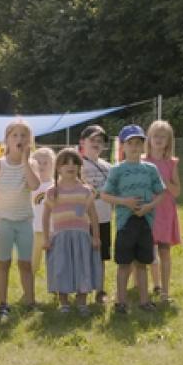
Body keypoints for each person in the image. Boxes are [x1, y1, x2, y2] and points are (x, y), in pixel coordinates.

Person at [101, 125, 165, 314]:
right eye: (131, 143)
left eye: (139, 143)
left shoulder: (150, 169)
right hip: (124, 224)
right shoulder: (117, 170)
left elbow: (161, 193)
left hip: (145, 222)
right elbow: (104, 195)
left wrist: (148, 207)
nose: (135, 147)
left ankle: (144, 301)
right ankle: (121, 302)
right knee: (123, 264)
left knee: (142, 264)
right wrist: (125, 202)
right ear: (123, 146)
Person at [43, 149, 101, 316]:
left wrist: (96, 237)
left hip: (82, 238)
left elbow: (93, 216)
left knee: (82, 268)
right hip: (60, 238)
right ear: (58, 168)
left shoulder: (85, 191)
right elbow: (46, 217)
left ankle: (82, 302)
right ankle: (64, 303)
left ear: (80, 167)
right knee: (62, 269)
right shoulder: (52, 192)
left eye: (75, 162)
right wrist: (46, 239)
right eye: (66, 162)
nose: (71, 166)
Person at [0, 119, 40, 319]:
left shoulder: (31, 163)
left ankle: (30, 301)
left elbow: (34, 185)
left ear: (30, 141)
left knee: (25, 263)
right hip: (3, 221)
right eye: (15, 135)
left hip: (24, 222)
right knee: (3, 262)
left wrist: (25, 162)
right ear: (7, 140)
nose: (19, 139)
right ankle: (3, 303)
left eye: (24, 136)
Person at [144, 120, 181, 303]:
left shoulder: (171, 163)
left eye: (163, 136)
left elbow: (176, 191)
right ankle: (148, 285)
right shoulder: (142, 161)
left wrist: (164, 181)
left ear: (169, 141)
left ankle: (165, 291)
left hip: (165, 211)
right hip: (147, 211)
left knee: (164, 251)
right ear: (149, 139)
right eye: (155, 136)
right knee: (145, 250)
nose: (159, 139)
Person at [78, 125, 113, 305]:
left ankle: (100, 290)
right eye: (93, 140)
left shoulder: (109, 166)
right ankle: (81, 289)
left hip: (104, 217)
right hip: (82, 220)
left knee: (101, 256)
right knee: (82, 255)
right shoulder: (77, 164)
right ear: (82, 142)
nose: (97, 144)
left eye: (100, 141)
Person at [31, 147, 56, 276]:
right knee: (32, 263)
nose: (41, 165)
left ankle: (54, 288)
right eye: (38, 162)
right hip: (34, 230)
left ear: (52, 164)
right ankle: (28, 288)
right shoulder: (31, 185)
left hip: (52, 230)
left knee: (53, 261)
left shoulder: (55, 185)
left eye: (45, 162)